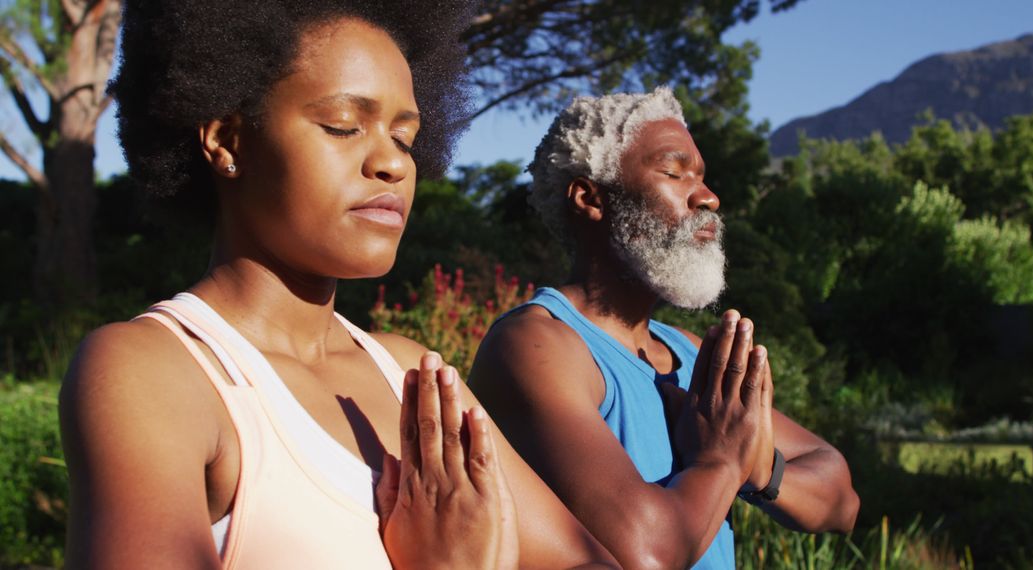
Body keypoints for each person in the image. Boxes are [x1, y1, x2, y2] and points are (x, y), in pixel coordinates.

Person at [59, 2, 616, 568]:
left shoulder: (412, 377)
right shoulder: (156, 372)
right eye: (343, 126)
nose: (393, 164)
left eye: (404, 138)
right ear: (228, 141)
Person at [469, 88, 861, 569]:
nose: (709, 198)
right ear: (591, 198)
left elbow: (842, 498)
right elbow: (648, 555)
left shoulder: (690, 352)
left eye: (702, 178)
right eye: (674, 173)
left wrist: (759, 467)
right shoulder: (536, 346)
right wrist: (721, 462)